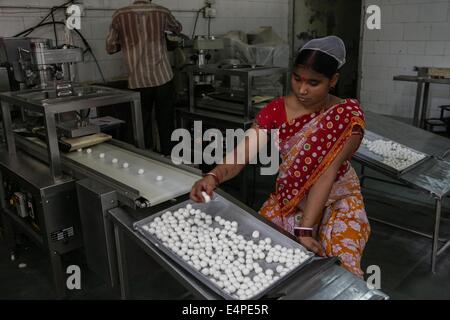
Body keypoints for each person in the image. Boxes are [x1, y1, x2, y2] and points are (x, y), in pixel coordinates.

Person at [190, 36, 370, 277]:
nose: (302, 90)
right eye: (297, 79)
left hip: (338, 197)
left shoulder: (347, 116)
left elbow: (327, 172)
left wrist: (305, 229)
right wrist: (214, 176)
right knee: (258, 258)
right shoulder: (276, 110)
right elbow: (244, 152)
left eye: (314, 83)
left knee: (340, 267)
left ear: (333, 80)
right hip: (290, 198)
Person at [106, 0, 182, 155]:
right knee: (166, 121)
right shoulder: (163, 12)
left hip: (137, 79)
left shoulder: (119, 15)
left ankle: (145, 158)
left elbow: (110, 47)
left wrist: (127, 42)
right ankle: (169, 158)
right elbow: (177, 29)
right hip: (162, 77)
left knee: (141, 124)